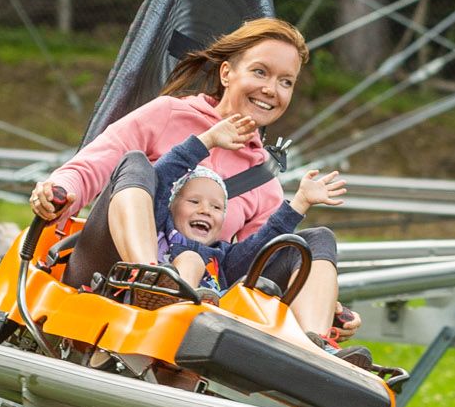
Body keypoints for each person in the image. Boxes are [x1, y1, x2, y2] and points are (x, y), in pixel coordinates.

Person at [29, 17, 359, 343]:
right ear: (226, 73)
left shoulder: (265, 182)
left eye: (286, 82)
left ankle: (315, 343)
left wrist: (320, 299)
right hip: (106, 272)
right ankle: (150, 279)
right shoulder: (167, 114)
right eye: (260, 72)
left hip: (197, 295)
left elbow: (249, 266)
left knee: (314, 240)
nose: (271, 90)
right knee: (137, 164)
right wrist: (59, 190)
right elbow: (91, 166)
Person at [145, 113, 348, 304]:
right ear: (172, 206)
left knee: (258, 287)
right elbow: (161, 176)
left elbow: (264, 242)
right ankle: (175, 300)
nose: (205, 210)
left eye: (216, 207)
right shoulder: (157, 229)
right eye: (194, 202)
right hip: (160, 312)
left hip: (212, 319)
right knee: (191, 259)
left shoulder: (222, 258)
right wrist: (207, 140)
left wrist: (300, 202)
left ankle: (307, 337)